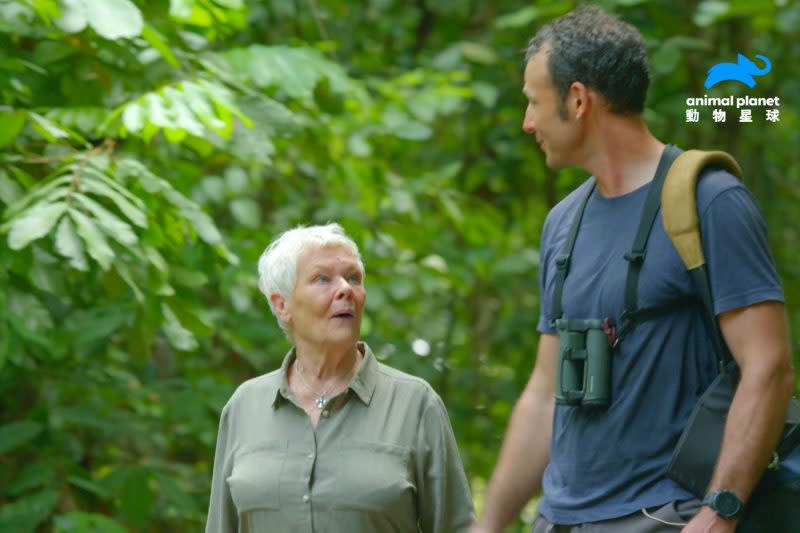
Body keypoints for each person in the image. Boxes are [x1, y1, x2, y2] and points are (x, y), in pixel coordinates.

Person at [472, 6, 794, 533]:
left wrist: (721, 511)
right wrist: (489, 526)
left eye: (533, 103)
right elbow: (543, 389)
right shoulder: (562, 224)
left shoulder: (711, 200)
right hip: (560, 520)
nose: (527, 122)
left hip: (666, 515)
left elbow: (769, 367)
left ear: (577, 100)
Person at [205, 223, 474, 533]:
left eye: (354, 278)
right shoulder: (244, 405)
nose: (346, 289)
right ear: (282, 305)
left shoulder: (415, 403)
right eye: (322, 279)